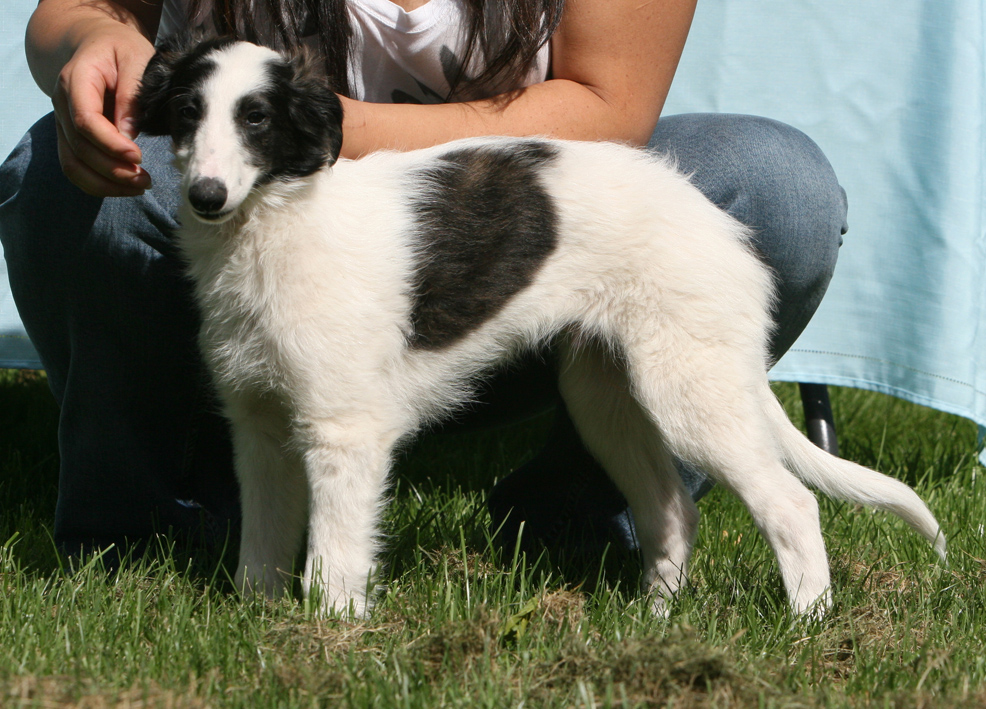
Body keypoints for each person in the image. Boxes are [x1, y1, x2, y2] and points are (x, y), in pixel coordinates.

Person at [0, 0, 847, 558]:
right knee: (57, 172)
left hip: (488, 278)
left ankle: (582, 519)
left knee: (772, 185)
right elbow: (72, 12)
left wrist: (314, 124)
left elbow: (607, 108)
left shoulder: (301, 125)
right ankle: (153, 526)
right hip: (271, 280)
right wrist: (90, 38)